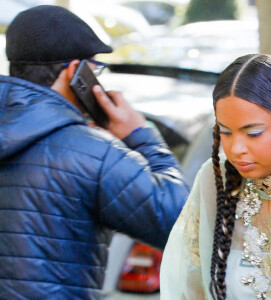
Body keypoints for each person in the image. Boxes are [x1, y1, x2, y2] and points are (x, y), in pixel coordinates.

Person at [0, 5, 189, 299]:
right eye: (95, 69)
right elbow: (182, 223)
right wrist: (141, 137)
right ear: (76, 72)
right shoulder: (95, 153)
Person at [160, 53, 271, 300]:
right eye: (225, 132)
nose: (236, 149)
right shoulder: (215, 182)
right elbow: (185, 285)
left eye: (253, 133)